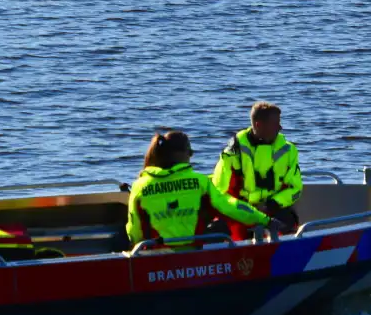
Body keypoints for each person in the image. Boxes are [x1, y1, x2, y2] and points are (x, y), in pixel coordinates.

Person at [126, 130, 281, 247]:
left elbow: (134, 230)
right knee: (220, 226)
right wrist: (265, 220)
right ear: (181, 154)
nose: (191, 156)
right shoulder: (199, 183)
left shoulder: (139, 186)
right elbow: (231, 207)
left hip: (155, 258)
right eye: (190, 152)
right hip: (193, 255)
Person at [212, 101, 303, 239]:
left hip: (274, 208)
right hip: (241, 211)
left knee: (288, 222)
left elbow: (295, 189)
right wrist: (244, 209)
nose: (280, 127)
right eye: (275, 123)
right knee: (218, 228)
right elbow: (219, 192)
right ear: (258, 125)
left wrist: (271, 204)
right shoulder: (232, 152)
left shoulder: (288, 150)